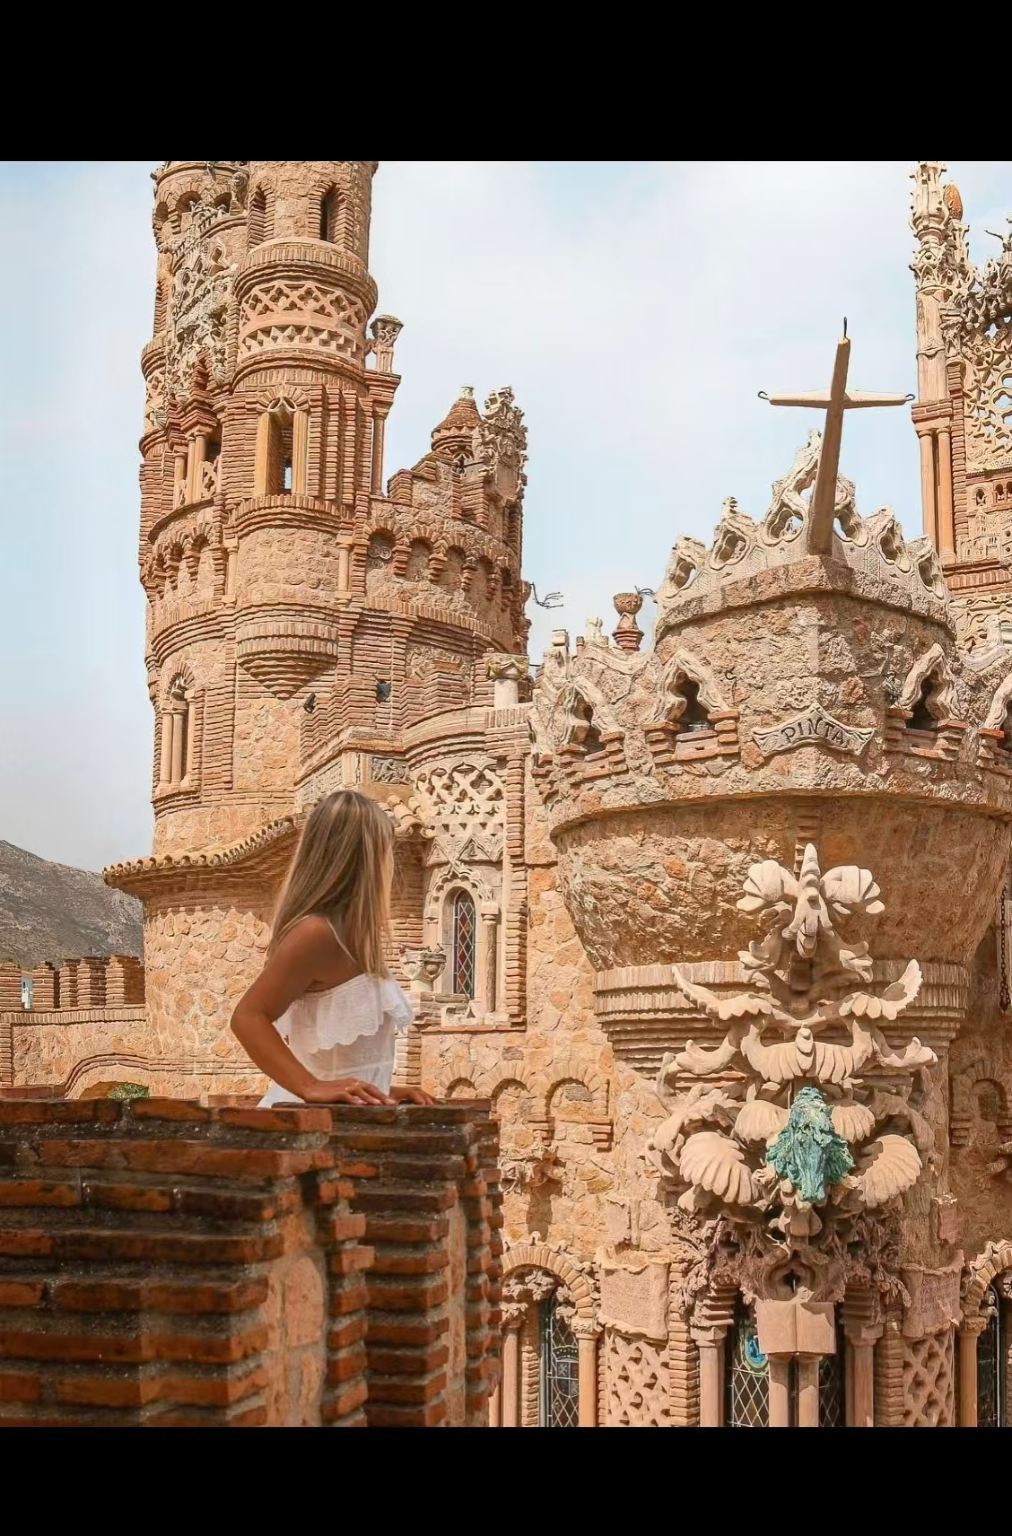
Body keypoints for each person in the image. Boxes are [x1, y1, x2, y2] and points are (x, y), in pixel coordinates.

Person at [231, 790, 434, 1108]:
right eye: (385, 848)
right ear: (364, 858)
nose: (390, 860)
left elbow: (336, 1058)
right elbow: (248, 1017)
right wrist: (309, 1086)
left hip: (344, 1122)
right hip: (308, 1125)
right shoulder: (317, 933)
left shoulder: (351, 936)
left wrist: (379, 1089)